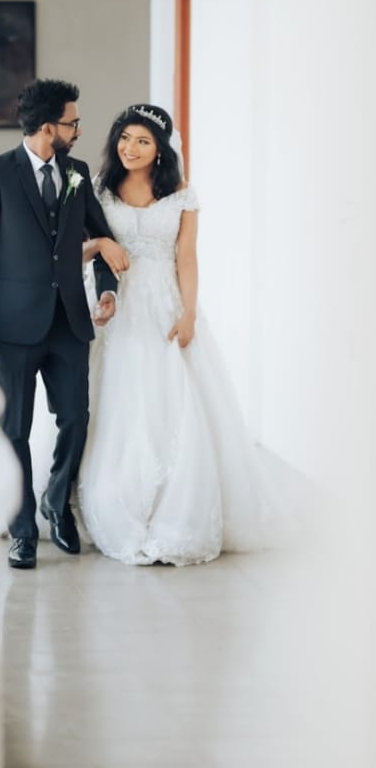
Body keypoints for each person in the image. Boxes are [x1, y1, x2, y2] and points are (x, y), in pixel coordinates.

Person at [77, 102, 279, 566]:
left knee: (170, 398)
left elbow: (186, 258)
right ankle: (109, 496)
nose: (131, 148)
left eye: (143, 141)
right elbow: (80, 246)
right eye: (125, 138)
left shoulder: (182, 194)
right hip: (113, 303)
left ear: (161, 150)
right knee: (113, 396)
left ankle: (171, 503)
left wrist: (188, 313)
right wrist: (101, 251)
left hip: (163, 303)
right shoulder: (99, 189)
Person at [0, 79, 128, 570]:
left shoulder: (76, 174)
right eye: (73, 122)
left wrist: (108, 288)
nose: (78, 130)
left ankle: (56, 499)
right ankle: (23, 529)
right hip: (12, 322)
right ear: (49, 127)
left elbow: (101, 237)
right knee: (14, 427)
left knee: (75, 418)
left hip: (70, 320)